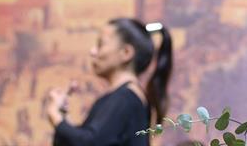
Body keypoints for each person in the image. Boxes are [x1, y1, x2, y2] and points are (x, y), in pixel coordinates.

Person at [45, 18, 173, 146]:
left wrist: (56, 116)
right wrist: (62, 116)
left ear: (126, 53)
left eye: (100, 44)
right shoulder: (126, 98)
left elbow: (90, 142)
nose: (93, 51)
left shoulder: (126, 99)